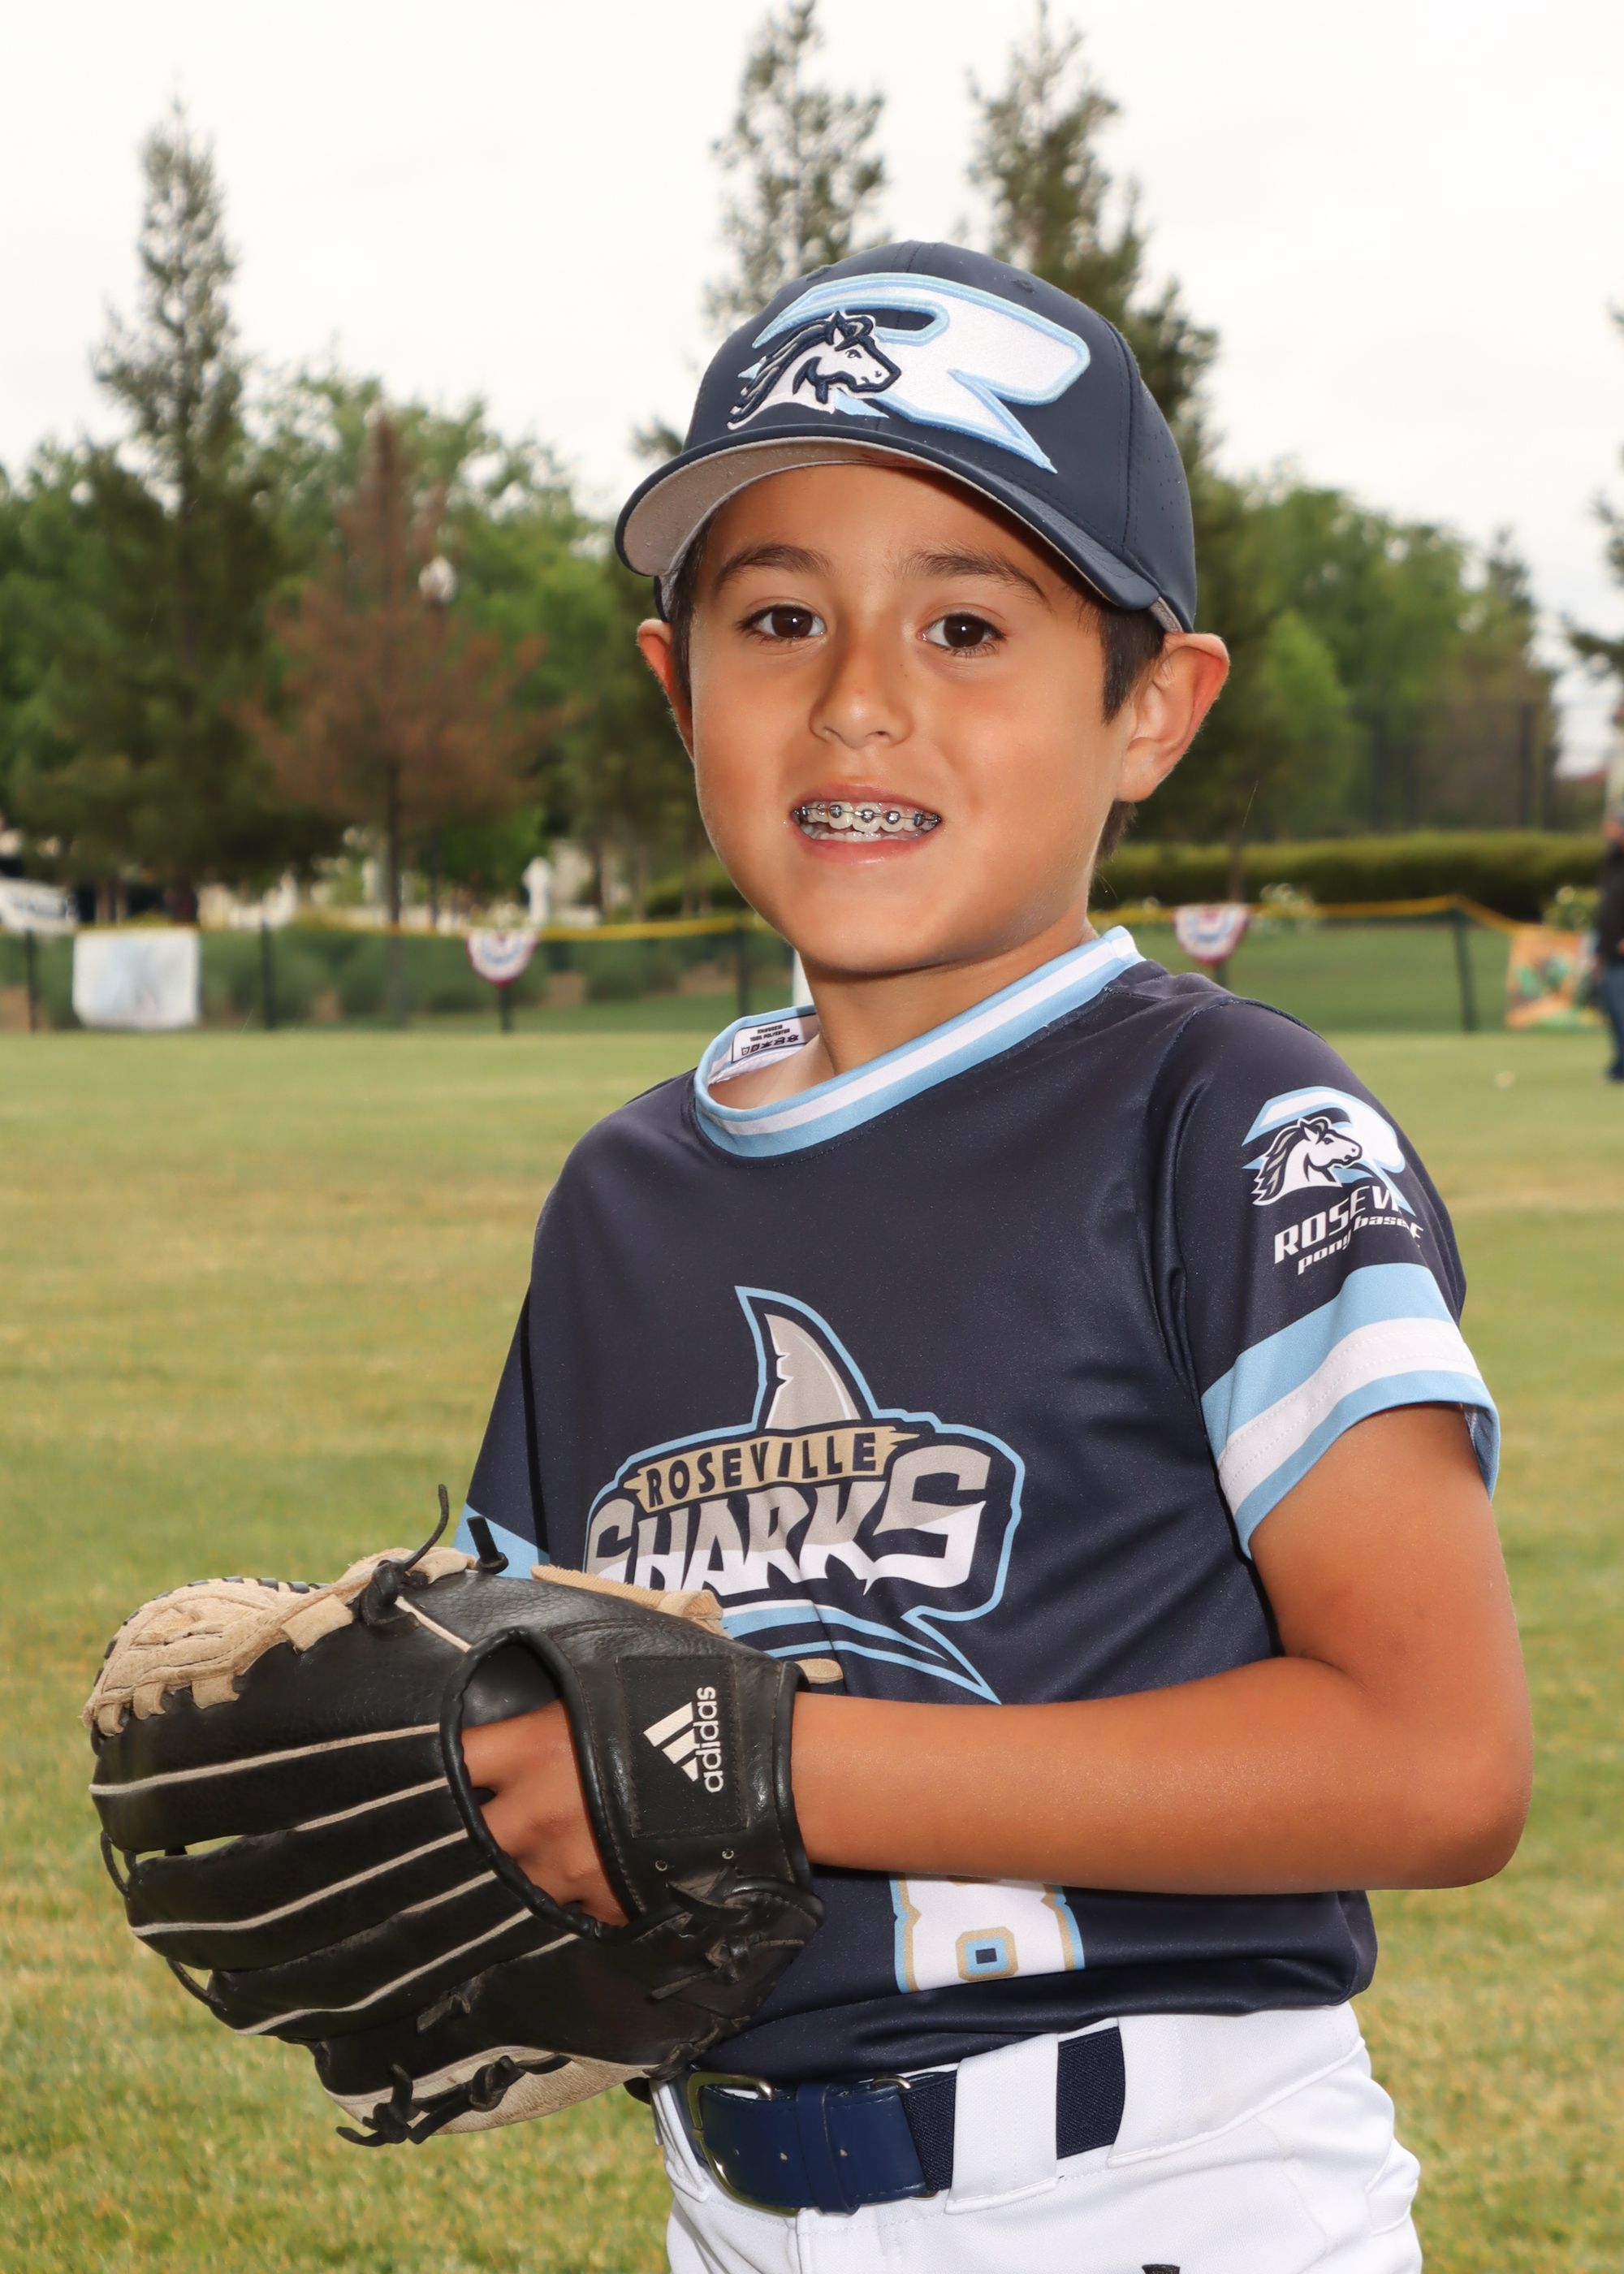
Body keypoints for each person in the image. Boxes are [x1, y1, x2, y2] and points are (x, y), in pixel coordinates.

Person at [458, 245, 1531, 2272]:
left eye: (965, 623)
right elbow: (533, 1704)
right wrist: (446, 1786)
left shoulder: (1225, 1122)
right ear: (677, 687)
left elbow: (1435, 1756)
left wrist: (765, 1765)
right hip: (733, 2207)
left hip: (1165, 2194)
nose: (858, 698)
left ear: (1150, 707)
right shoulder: (621, 1201)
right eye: (778, 618)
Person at [1594, 804, 1624, 1080]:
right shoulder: (1612, 862)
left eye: (1613, 824)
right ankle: (1620, 1065)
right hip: (1610, 953)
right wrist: (1599, 951)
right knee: (1613, 1012)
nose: (1608, 830)